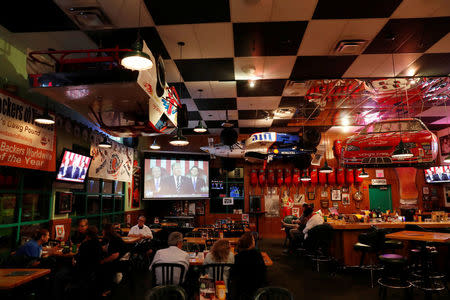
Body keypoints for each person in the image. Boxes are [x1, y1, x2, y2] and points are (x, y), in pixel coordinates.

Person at [230, 233, 266, 300]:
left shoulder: (237, 257)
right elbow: (263, 272)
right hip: (257, 287)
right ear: (251, 243)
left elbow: (233, 274)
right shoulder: (258, 255)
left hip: (241, 289)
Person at [100, 224, 127, 295]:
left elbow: (115, 255)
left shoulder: (115, 239)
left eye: (103, 230)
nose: (102, 232)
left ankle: (108, 288)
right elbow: (104, 247)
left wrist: (103, 261)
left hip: (123, 261)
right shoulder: (107, 238)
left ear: (107, 231)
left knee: (106, 266)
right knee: (104, 264)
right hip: (117, 258)